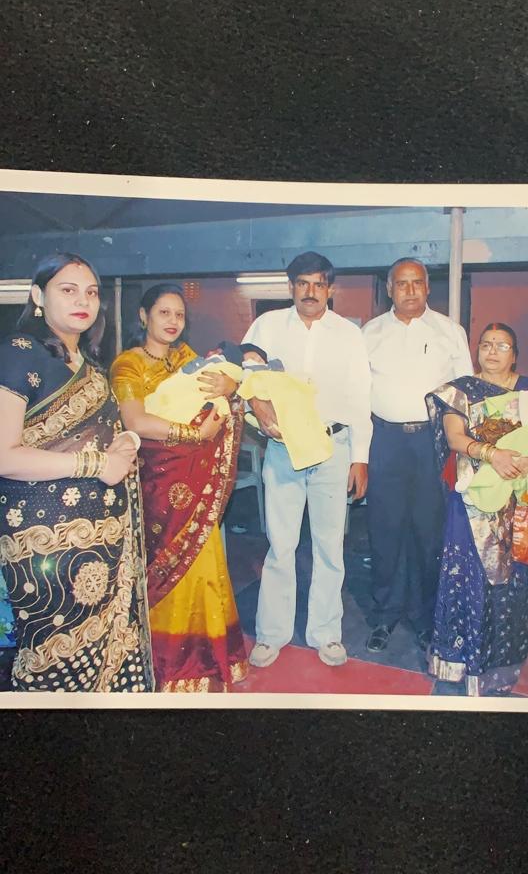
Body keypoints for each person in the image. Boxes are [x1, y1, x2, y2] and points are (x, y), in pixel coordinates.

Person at [0, 253, 153, 692]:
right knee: (55, 664)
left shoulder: (90, 365)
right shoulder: (17, 354)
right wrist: (97, 464)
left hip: (105, 538)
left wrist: (125, 443)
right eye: (68, 290)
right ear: (38, 296)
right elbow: (5, 455)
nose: (83, 301)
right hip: (45, 543)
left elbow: (103, 436)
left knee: (105, 659)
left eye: (91, 292)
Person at [110, 284, 248, 692]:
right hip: (156, 482)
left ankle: (207, 659)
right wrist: (192, 434)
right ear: (143, 316)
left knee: (203, 562)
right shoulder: (128, 364)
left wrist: (230, 390)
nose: (172, 322)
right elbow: (135, 421)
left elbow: (221, 398)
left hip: (196, 481)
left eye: (179, 315)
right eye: (164, 313)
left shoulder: (189, 359)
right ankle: (168, 664)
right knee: (165, 565)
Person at [241, 252, 372, 668]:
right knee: (281, 545)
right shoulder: (267, 326)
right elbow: (243, 374)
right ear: (291, 287)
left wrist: (360, 457)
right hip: (284, 448)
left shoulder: (349, 334)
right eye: (302, 284)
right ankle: (271, 634)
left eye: (318, 284)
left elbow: (360, 397)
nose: (310, 292)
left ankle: (326, 633)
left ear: (330, 289)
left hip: (334, 447)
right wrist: (258, 406)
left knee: (329, 546)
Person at [425, 323, 528, 695]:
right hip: (472, 499)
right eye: (486, 344)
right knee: (467, 576)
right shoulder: (460, 390)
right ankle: (460, 660)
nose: (492, 351)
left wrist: (526, 459)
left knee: (515, 580)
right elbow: (455, 438)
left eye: (502, 345)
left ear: (515, 353)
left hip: (519, 498)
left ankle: (501, 663)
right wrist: (494, 454)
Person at [361, 258, 472, 652]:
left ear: (427, 287)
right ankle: (385, 614)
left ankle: (427, 619)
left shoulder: (450, 332)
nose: (409, 290)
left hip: (432, 442)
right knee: (385, 530)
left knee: (430, 532)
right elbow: (357, 393)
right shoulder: (369, 333)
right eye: (401, 284)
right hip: (385, 441)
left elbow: (464, 394)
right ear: (389, 289)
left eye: (417, 283)